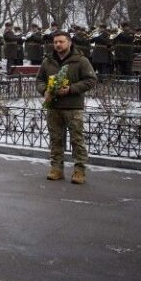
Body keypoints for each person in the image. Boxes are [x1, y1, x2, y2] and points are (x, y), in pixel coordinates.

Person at [36, 30, 97, 184]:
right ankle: (56, 169)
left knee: (77, 140)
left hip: (73, 107)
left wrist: (71, 89)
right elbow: (39, 80)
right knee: (55, 139)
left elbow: (91, 80)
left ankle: (79, 171)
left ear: (69, 42)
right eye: (55, 42)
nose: (57, 44)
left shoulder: (81, 60)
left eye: (61, 41)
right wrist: (45, 91)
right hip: (53, 106)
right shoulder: (48, 61)